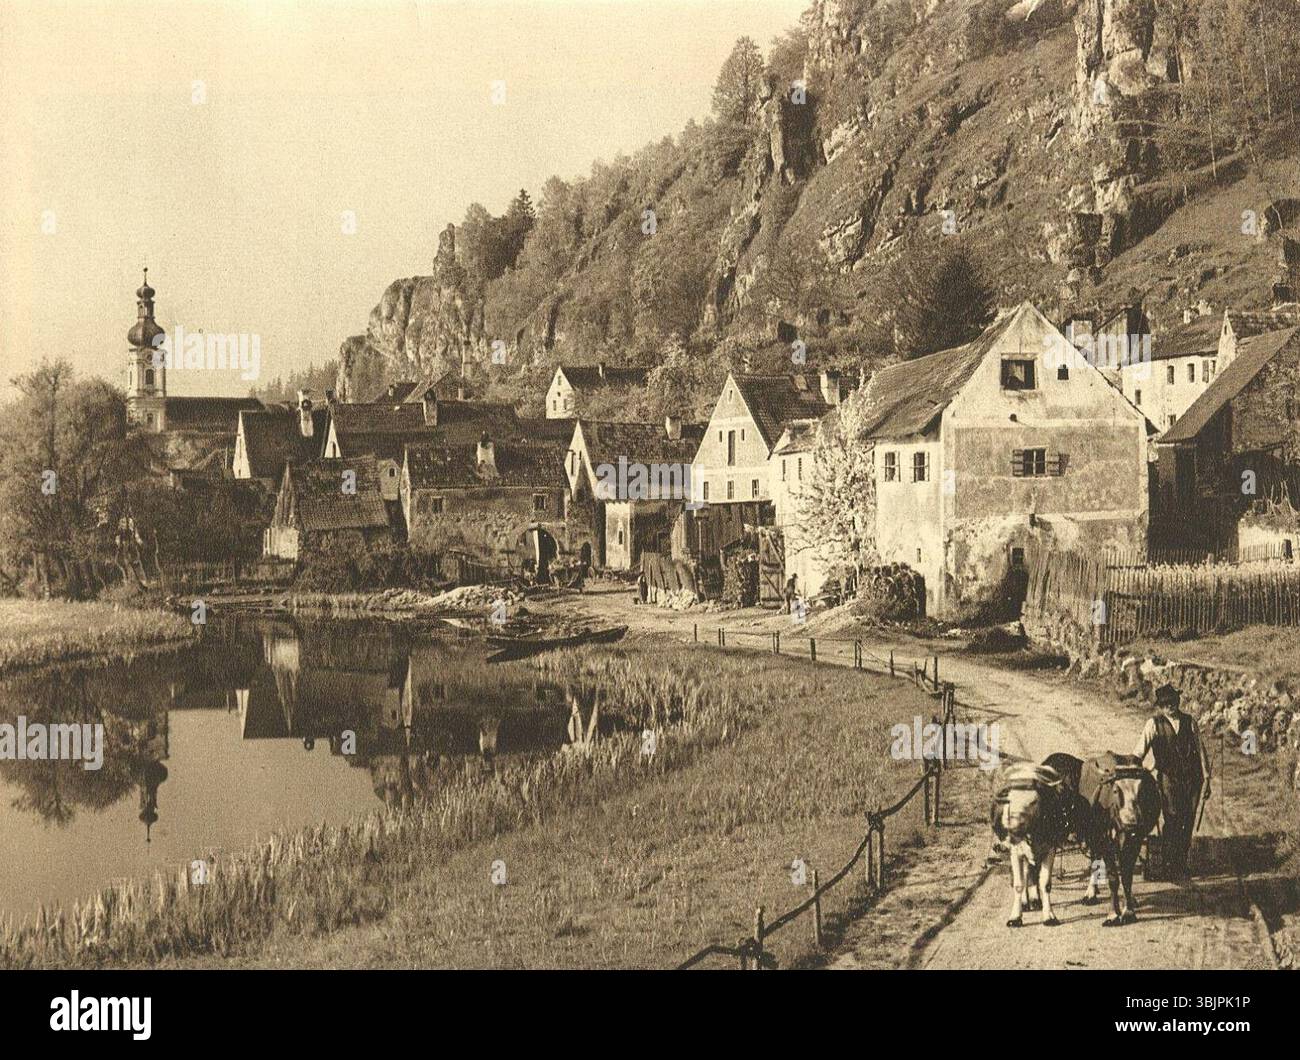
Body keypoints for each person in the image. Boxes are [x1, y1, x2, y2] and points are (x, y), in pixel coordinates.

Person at [1133, 683, 1212, 878]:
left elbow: (1200, 750)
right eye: (1166, 703)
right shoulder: (1153, 724)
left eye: (1173, 702)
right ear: (1160, 705)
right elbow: (1139, 751)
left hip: (1193, 780)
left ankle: (1181, 863)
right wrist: (1133, 769)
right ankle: (1169, 862)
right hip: (1168, 779)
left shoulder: (1189, 721)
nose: (1171, 706)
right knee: (1172, 818)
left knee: (1188, 820)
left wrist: (1207, 778)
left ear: (1178, 701)